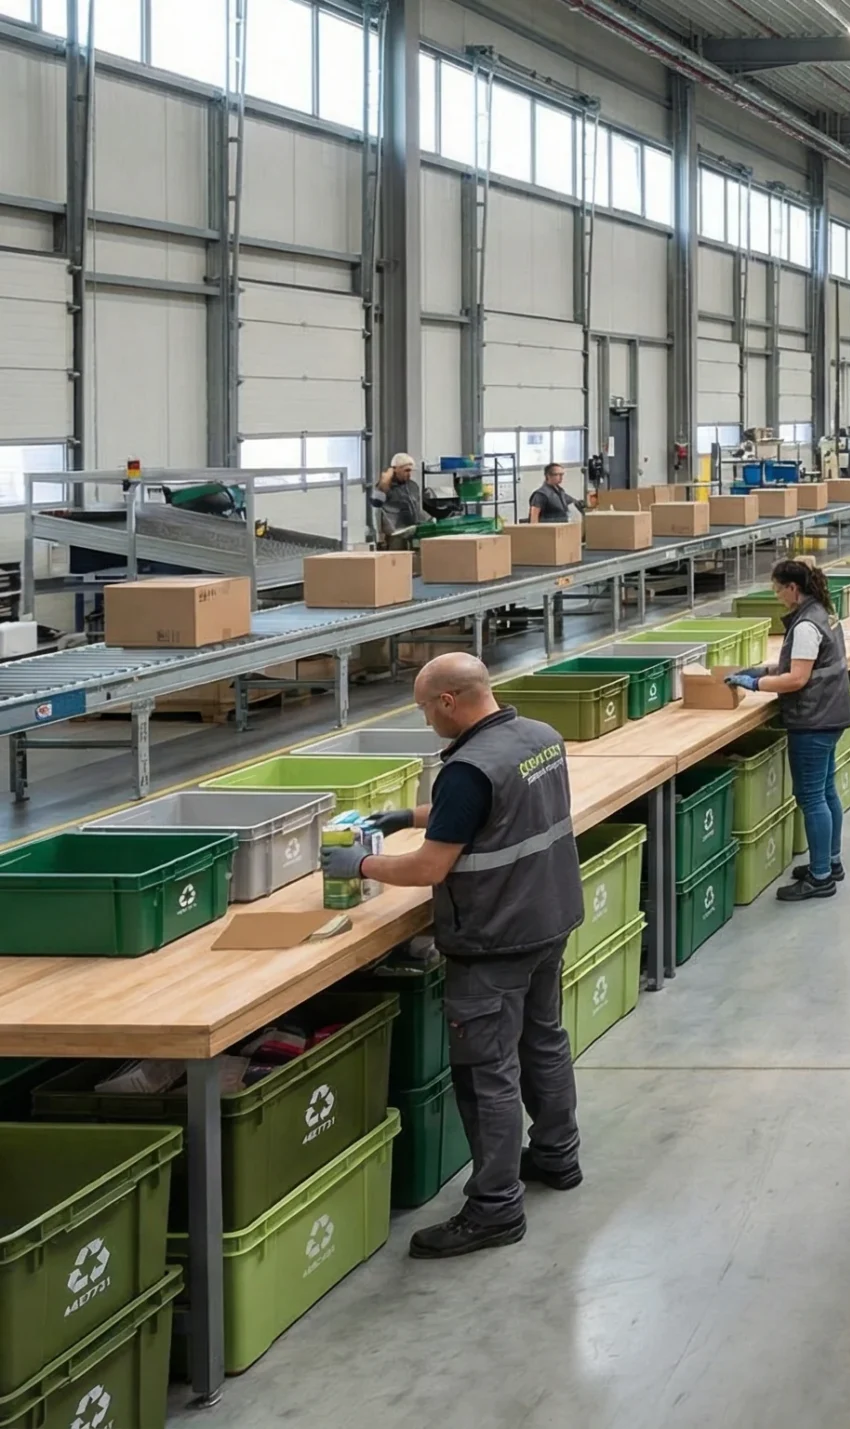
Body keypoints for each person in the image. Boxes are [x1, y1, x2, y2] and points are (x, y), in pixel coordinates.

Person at [323, 653, 580, 1259]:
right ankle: (556, 1156)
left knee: (486, 1073)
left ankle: (494, 1209)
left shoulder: (465, 768)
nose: (425, 719)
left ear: (447, 700)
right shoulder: (538, 737)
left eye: (423, 707)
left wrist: (358, 863)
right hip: (548, 919)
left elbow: (429, 866)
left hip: (493, 939)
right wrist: (406, 816)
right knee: (543, 1041)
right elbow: (495, 811)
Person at [724, 560, 850, 900]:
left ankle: (821, 877)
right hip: (832, 713)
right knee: (826, 791)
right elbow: (806, 665)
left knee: (812, 797)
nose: (776, 595)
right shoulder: (823, 612)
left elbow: (797, 679)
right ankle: (832, 861)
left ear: (793, 589)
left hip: (813, 719)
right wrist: (765, 669)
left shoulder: (805, 626)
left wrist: (756, 683)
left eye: (778, 589)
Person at [376, 452, 426, 541]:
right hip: (396, 534)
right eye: (406, 470)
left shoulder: (413, 486)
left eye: (410, 470)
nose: (409, 474)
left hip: (414, 530)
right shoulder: (386, 487)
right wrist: (385, 481)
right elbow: (375, 502)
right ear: (395, 469)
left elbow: (418, 508)